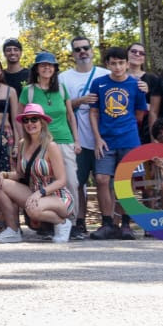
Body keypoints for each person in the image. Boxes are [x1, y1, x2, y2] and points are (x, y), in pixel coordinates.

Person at [88, 47, 148, 240]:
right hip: (106, 141)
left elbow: (139, 114)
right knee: (102, 179)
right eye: (113, 63)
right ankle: (107, 223)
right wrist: (98, 138)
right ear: (107, 65)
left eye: (121, 63)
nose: (117, 67)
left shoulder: (136, 85)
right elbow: (94, 112)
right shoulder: (99, 84)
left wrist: (126, 129)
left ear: (127, 64)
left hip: (129, 140)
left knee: (125, 182)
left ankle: (125, 224)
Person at [18, 52, 79, 235]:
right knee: (41, 180)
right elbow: (22, 120)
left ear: (55, 69)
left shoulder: (61, 88)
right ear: (36, 68)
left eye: (50, 65)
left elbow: (70, 115)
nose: (47, 68)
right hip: (39, 143)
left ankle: (73, 223)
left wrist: (77, 140)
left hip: (63, 140)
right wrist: (22, 143)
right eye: (42, 65)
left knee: (71, 182)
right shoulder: (28, 91)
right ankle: (50, 223)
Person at [0, 104, 75, 242]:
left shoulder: (51, 146)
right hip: (34, 192)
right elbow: (20, 174)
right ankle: (13, 230)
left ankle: (62, 224)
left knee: (33, 210)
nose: (30, 123)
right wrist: (5, 175)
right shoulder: (21, 144)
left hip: (58, 196)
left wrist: (40, 193)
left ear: (42, 122)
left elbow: (61, 180)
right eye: (26, 120)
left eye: (34, 119)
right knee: (0, 184)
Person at [58, 36, 101, 238]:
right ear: (73, 54)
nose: (82, 52)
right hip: (77, 139)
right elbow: (59, 106)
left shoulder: (106, 73)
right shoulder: (64, 78)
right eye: (78, 49)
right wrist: (80, 101)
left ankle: (113, 222)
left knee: (105, 181)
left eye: (86, 48)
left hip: (103, 138)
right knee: (77, 182)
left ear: (92, 50)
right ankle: (79, 222)